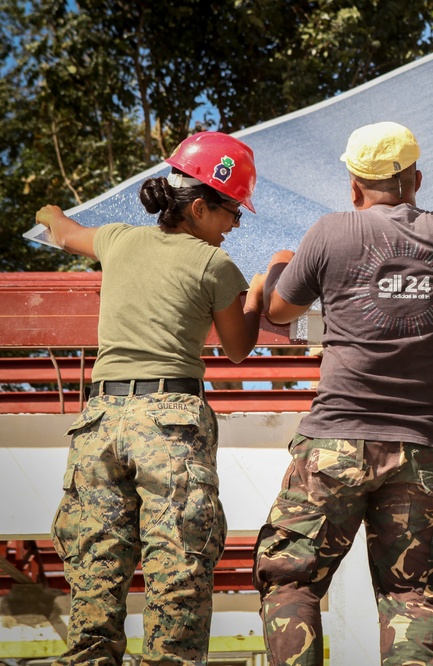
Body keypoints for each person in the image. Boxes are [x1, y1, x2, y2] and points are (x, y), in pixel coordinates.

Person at [252, 121, 433, 666]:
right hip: (423, 449)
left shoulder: (332, 232)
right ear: (416, 178)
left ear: (354, 186)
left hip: (335, 443)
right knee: (415, 596)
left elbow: (279, 311)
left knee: (291, 582)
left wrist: (280, 264)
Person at [40, 131, 264, 665]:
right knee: (178, 574)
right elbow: (237, 349)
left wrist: (48, 212)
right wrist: (257, 289)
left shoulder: (118, 239)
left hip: (99, 423)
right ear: (202, 207)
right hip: (171, 426)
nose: (235, 224)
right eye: (233, 211)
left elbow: (64, 230)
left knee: (95, 569)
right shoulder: (215, 267)